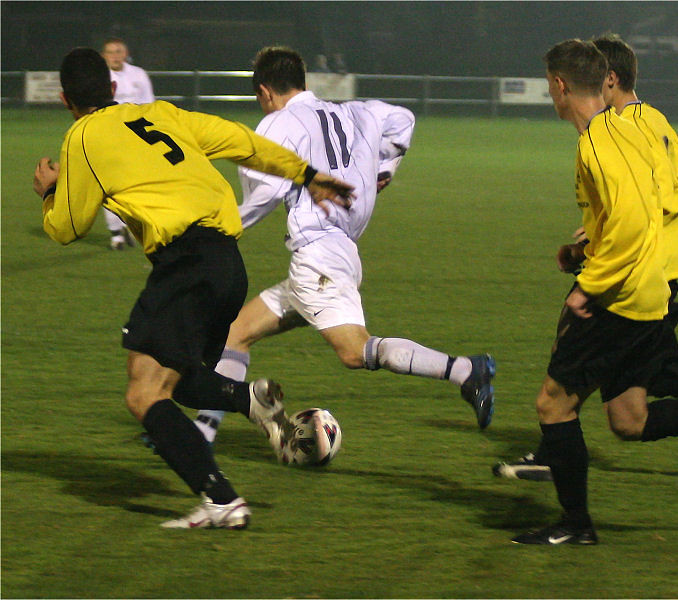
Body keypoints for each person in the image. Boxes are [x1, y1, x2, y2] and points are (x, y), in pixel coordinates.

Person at [32, 47, 353, 530]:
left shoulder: (81, 138)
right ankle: (249, 402)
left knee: (144, 394)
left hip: (186, 264)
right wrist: (307, 175)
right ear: (114, 89)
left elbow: (68, 226)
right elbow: (241, 140)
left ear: (64, 99)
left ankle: (222, 501)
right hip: (227, 263)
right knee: (170, 376)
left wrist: (52, 192)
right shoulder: (160, 114)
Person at [507, 39, 678, 546]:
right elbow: (643, 208)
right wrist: (585, 248)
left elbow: (634, 220)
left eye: (549, 86)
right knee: (629, 418)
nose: (551, 95)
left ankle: (574, 525)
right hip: (648, 288)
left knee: (553, 405)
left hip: (620, 296)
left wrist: (591, 287)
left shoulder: (598, 142)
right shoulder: (622, 128)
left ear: (561, 86)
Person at [191, 46, 495, 456]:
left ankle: (464, 370)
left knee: (355, 351)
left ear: (264, 91)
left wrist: (219, 232)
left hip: (318, 256)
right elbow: (404, 119)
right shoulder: (355, 112)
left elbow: (266, 191)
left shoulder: (278, 123)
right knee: (237, 332)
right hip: (339, 253)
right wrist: (384, 169)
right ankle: (202, 435)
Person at [101, 37, 155, 250]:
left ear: (125, 54)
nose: (114, 56)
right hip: (109, 138)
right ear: (104, 55)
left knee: (136, 186)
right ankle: (116, 234)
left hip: (136, 138)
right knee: (110, 186)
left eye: (118, 51)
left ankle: (128, 226)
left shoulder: (138, 74)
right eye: (110, 52)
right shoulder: (99, 77)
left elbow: (150, 105)